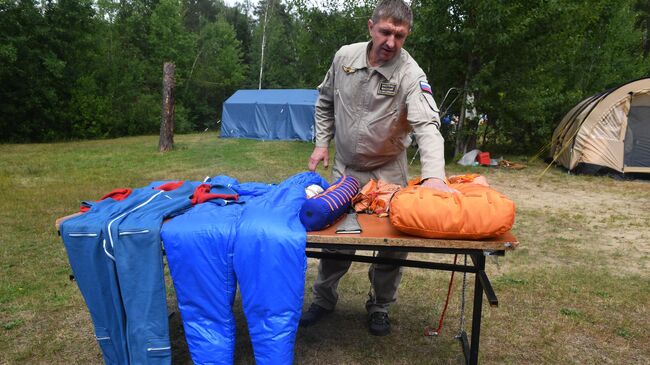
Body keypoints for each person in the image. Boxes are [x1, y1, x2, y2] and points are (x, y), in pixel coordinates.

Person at [302, 0, 454, 336]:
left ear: (406, 35)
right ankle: (324, 300)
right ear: (371, 27)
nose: (391, 42)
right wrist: (321, 142)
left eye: (400, 35)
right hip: (346, 168)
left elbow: (428, 126)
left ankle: (380, 306)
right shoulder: (344, 58)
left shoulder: (410, 74)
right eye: (385, 31)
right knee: (335, 239)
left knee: (391, 245)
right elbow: (325, 101)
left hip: (387, 170)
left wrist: (433, 177)